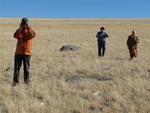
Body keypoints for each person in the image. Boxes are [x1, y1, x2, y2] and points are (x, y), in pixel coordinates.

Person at [12, 18, 36, 86]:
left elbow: (32, 35)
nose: (24, 24)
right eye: (23, 23)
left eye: (25, 23)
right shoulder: (19, 30)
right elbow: (15, 36)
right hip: (18, 53)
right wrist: (20, 29)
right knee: (16, 68)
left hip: (27, 53)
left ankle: (27, 82)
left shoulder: (30, 31)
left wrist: (29, 27)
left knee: (26, 68)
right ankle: (15, 83)